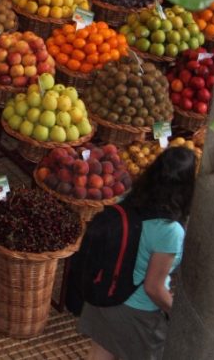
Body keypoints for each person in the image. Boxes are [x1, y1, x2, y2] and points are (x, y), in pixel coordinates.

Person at [79, 146, 196, 360]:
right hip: (135, 313)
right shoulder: (169, 230)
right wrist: (177, 313)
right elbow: (153, 287)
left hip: (103, 293)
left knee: (99, 354)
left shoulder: (129, 199)